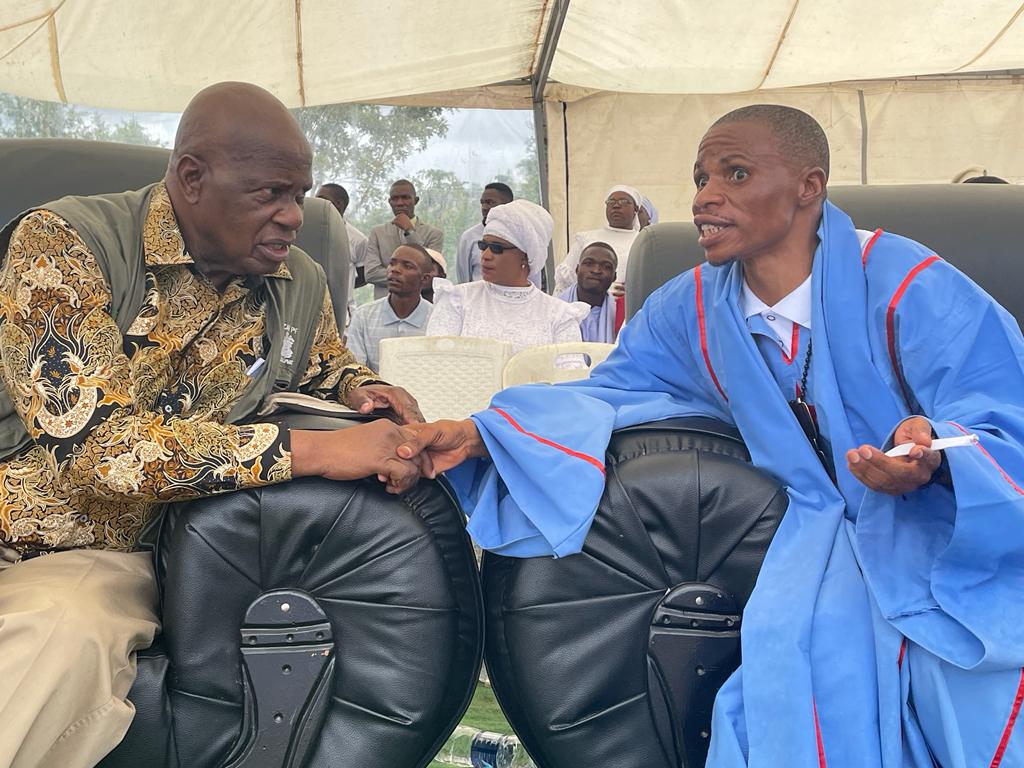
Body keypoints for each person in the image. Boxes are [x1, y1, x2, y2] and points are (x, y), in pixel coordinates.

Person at [398, 105, 1024, 766]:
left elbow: (1001, 407)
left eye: (737, 173)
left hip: (934, 526)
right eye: (700, 179)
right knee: (790, 662)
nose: (705, 198)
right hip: (805, 534)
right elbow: (612, 390)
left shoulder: (905, 284)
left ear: (808, 187)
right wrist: (484, 433)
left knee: (973, 673)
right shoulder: (689, 308)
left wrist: (935, 452)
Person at [0, 82, 428, 768]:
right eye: (272, 194)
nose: (293, 217)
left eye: (301, 195)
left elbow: (324, 364)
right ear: (192, 179)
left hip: (89, 552)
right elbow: (98, 450)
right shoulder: (64, 244)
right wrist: (314, 451)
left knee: (59, 632)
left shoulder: (299, 281)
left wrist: (371, 393)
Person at [426, 199, 588, 356]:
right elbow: (435, 362)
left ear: (526, 256)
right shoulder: (456, 300)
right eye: (483, 246)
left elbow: (569, 376)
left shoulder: (559, 315)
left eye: (497, 248)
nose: (486, 255)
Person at [347, 244, 434, 373]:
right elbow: (355, 371)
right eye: (392, 264)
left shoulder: (436, 319)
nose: (395, 270)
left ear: (425, 279)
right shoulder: (363, 316)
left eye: (407, 266)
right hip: (374, 391)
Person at [553, 184, 642, 294]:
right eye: (611, 202)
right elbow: (564, 279)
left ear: (636, 209)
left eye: (623, 201)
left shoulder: (643, 241)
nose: (616, 206)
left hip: (626, 307)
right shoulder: (586, 238)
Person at [364, 179, 443, 299]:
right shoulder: (377, 232)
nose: (400, 203)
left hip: (420, 304)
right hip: (384, 306)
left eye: (405, 198)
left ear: (415, 201)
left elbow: (429, 270)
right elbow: (371, 274)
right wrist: (409, 276)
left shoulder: (434, 234)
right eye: (395, 199)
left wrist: (410, 232)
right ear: (389, 202)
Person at [316, 182, 368, 328]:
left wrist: (342, 285)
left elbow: (364, 276)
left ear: (338, 204)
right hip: (310, 305)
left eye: (321, 198)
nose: (315, 203)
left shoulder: (358, 240)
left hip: (342, 313)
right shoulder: (305, 231)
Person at [559, 242, 619, 343]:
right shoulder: (556, 309)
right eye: (589, 263)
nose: (596, 270)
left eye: (606, 267)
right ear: (577, 269)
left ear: (614, 277)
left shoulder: (621, 315)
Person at [455, 182, 514, 284]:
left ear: (507, 205)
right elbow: (463, 278)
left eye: (490, 202)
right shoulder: (469, 237)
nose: (484, 207)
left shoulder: (519, 236)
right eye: (482, 203)